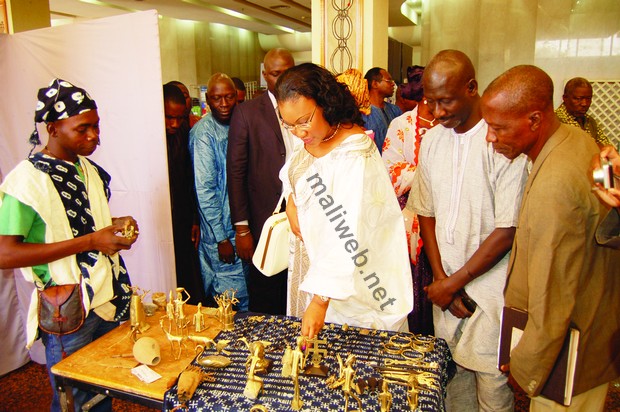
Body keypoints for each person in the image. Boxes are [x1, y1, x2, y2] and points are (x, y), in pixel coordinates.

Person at [482, 64, 620, 411]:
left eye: (499, 128)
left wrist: (526, 366)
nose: (490, 138)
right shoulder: (579, 139)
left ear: (534, 120)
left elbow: (553, 290)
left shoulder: (553, 187)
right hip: (595, 333)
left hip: (567, 356)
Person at [0, 78, 138, 411]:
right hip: (67, 310)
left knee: (101, 391)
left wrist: (114, 228)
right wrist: (92, 241)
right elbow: (5, 254)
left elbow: (76, 222)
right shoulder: (27, 180)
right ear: (53, 128)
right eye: (83, 129)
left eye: (97, 126)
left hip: (104, 300)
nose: (94, 136)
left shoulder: (88, 169)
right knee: (72, 401)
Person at [407, 50, 528, 411]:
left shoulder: (502, 141)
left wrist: (453, 283)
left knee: (493, 389)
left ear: (472, 88)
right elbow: (425, 212)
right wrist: (442, 280)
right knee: (453, 387)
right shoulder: (432, 141)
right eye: (431, 102)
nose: (437, 112)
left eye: (445, 101)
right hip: (447, 293)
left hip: (493, 294)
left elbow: (508, 229)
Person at [276, 63, 413, 338]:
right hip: (313, 265)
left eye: (304, 120)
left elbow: (344, 229)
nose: (299, 132)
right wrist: (291, 202)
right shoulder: (312, 135)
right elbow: (294, 175)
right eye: (289, 125)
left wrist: (319, 300)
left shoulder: (354, 153)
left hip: (352, 279)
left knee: (349, 358)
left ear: (325, 103)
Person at [227, 48, 296, 315]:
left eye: (288, 72)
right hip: (262, 220)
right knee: (266, 292)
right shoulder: (247, 113)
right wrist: (242, 228)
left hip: (298, 216)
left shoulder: (306, 107)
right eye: (276, 74)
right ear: (265, 74)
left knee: (294, 290)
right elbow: (236, 173)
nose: (282, 80)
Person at [382, 65, 436, 335]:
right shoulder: (401, 125)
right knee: (412, 283)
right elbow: (389, 170)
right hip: (408, 217)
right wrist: (428, 174)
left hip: (445, 217)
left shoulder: (450, 127)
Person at [189, 73, 249, 311]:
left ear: (236, 97)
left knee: (247, 298)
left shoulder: (240, 122)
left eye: (228, 97)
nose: (223, 104)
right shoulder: (204, 134)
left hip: (242, 229)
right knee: (229, 301)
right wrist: (221, 238)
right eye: (216, 99)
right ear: (207, 99)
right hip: (221, 234)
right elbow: (205, 191)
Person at [163, 84, 205, 305]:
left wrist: (194, 219)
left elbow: (190, 181)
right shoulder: (151, 139)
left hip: (182, 218)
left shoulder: (184, 132)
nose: (174, 124)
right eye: (169, 117)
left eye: (179, 118)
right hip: (160, 220)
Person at [555, 77, 612, 148]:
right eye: (579, 99)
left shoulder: (590, 121)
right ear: (565, 98)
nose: (584, 103)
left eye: (588, 99)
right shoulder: (555, 121)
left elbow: (606, 146)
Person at [362, 67, 402, 154]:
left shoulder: (395, 110)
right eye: (389, 81)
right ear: (375, 84)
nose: (393, 85)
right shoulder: (362, 113)